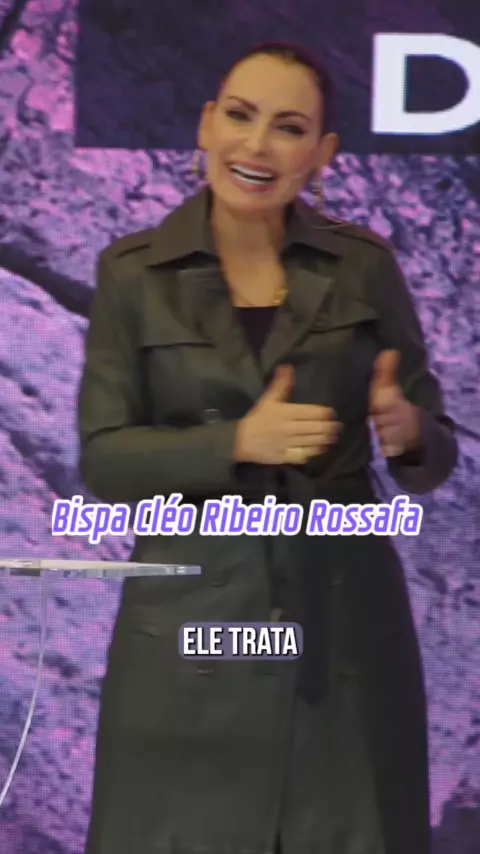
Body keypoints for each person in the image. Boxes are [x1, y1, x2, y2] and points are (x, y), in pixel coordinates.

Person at [78, 41, 457, 854]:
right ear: (206, 125)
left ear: (322, 153)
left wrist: (407, 431)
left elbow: (434, 453)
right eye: (240, 116)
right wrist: (237, 442)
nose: (257, 145)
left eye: (289, 128)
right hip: (190, 637)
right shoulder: (133, 273)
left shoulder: (363, 268)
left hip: (340, 636)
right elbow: (106, 460)